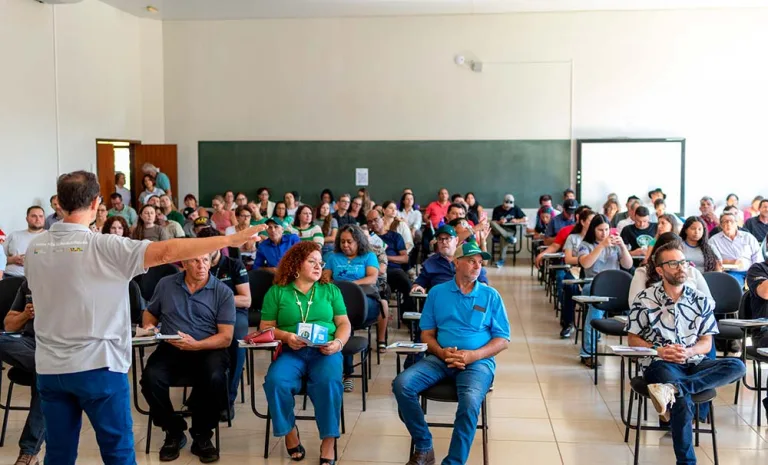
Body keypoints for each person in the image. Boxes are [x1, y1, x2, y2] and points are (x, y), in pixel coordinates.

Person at [23, 170, 264, 465]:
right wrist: (230, 239)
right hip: (98, 365)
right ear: (97, 202)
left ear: (58, 203)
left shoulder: (35, 248)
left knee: (58, 455)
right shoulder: (106, 247)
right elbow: (168, 251)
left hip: (50, 368)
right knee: (118, 454)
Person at [626, 241, 745, 465]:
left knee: (737, 366)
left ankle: (673, 389)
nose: (681, 267)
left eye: (683, 262)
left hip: (695, 361)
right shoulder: (644, 299)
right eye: (673, 263)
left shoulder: (700, 300)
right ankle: (687, 462)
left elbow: (706, 343)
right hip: (661, 362)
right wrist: (659, 350)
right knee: (681, 399)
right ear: (660, 270)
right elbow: (632, 339)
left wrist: (690, 351)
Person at [392, 239, 510, 465]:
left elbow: (503, 339)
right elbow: (427, 334)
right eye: (471, 261)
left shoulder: (490, 295)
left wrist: (472, 355)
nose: (477, 266)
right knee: (402, 384)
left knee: (470, 402)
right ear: (456, 263)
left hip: (477, 362)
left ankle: (454, 462)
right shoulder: (437, 293)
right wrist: (441, 352)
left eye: (480, 262)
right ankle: (424, 446)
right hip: (440, 358)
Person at [139, 254, 234, 463]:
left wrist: (196, 345)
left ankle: (202, 434)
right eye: (195, 261)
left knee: (215, 377)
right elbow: (150, 312)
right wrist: (149, 326)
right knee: (150, 378)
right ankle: (173, 430)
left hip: (208, 347)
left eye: (206, 260)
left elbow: (226, 337)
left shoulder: (222, 292)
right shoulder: (166, 284)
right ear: (183, 263)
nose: (202, 265)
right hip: (172, 346)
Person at [261, 241, 350, 464]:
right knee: (275, 381)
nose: (319, 266)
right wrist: (286, 337)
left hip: (325, 351)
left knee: (329, 383)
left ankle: (328, 441)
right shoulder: (277, 292)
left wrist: (338, 343)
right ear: (296, 264)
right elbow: (265, 327)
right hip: (292, 350)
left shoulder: (330, 290)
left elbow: (344, 323)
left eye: (321, 263)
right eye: (312, 261)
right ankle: (290, 433)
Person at [195, 227, 251, 421]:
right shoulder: (197, 265)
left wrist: (219, 300)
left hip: (234, 312)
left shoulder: (234, 265)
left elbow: (246, 299)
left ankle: (228, 399)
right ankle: (199, 393)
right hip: (205, 314)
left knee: (236, 340)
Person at [323, 224, 383, 392]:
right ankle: (334, 371)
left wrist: (350, 286)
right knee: (334, 319)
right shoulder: (333, 257)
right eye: (342, 241)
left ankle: (346, 374)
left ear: (358, 241)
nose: (345, 245)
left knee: (344, 319)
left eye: (349, 241)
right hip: (338, 301)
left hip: (364, 301)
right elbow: (325, 279)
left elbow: (372, 278)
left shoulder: (368, 256)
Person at [577, 214, 633, 366]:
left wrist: (622, 246)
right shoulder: (586, 245)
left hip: (615, 286)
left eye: (607, 229)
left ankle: (636, 349)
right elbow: (586, 264)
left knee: (636, 310)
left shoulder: (615, 244)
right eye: (600, 230)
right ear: (593, 230)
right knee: (595, 314)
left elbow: (628, 265)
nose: (604, 233)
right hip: (593, 284)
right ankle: (587, 353)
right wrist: (601, 246)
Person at [0, 280, 44, 465]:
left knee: (45, 372)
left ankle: (29, 452)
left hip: (60, 345)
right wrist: (26, 314)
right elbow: (9, 326)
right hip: (29, 343)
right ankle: (46, 366)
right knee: (45, 368)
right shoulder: (30, 281)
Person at [412, 225, 488, 293]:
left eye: (448, 238)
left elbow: (482, 281)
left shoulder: (468, 257)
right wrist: (417, 287)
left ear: (456, 240)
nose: (444, 242)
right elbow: (419, 283)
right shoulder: (430, 262)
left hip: (467, 298)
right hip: (442, 300)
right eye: (440, 239)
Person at [367, 209, 413, 321]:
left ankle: (408, 317)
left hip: (393, 271)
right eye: (370, 221)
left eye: (376, 220)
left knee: (407, 283)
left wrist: (385, 257)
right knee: (383, 289)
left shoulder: (395, 236)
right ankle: (378, 319)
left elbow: (405, 258)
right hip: (375, 272)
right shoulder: (367, 238)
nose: (373, 223)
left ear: (383, 219)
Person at [558, 207, 596, 338]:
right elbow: (568, 259)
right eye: (590, 221)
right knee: (570, 287)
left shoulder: (598, 238)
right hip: (576, 269)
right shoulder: (573, 237)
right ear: (583, 222)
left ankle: (592, 326)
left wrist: (588, 259)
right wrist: (585, 259)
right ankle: (568, 323)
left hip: (593, 272)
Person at [709, 212, 761, 288]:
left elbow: (757, 257)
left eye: (731, 221)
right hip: (732, 272)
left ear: (737, 223)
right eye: (725, 221)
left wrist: (754, 273)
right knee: (734, 287)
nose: (729, 224)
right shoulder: (714, 240)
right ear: (721, 225)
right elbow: (712, 260)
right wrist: (729, 262)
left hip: (752, 271)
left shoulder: (748, 237)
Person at [3, 206, 46, 278]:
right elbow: (1, 257)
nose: (38, 219)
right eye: (34, 216)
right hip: (10, 276)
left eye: (41, 216)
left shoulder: (51, 237)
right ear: (27, 219)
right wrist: (12, 260)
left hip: (38, 278)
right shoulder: (14, 235)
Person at [490, 194, 528, 267]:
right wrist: (500, 222)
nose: (508, 208)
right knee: (492, 223)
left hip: (510, 231)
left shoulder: (515, 208)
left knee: (503, 237)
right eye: (506, 206)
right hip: (498, 230)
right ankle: (508, 238)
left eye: (509, 206)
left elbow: (526, 218)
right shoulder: (497, 209)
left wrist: (517, 220)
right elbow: (493, 222)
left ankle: (501, 260)